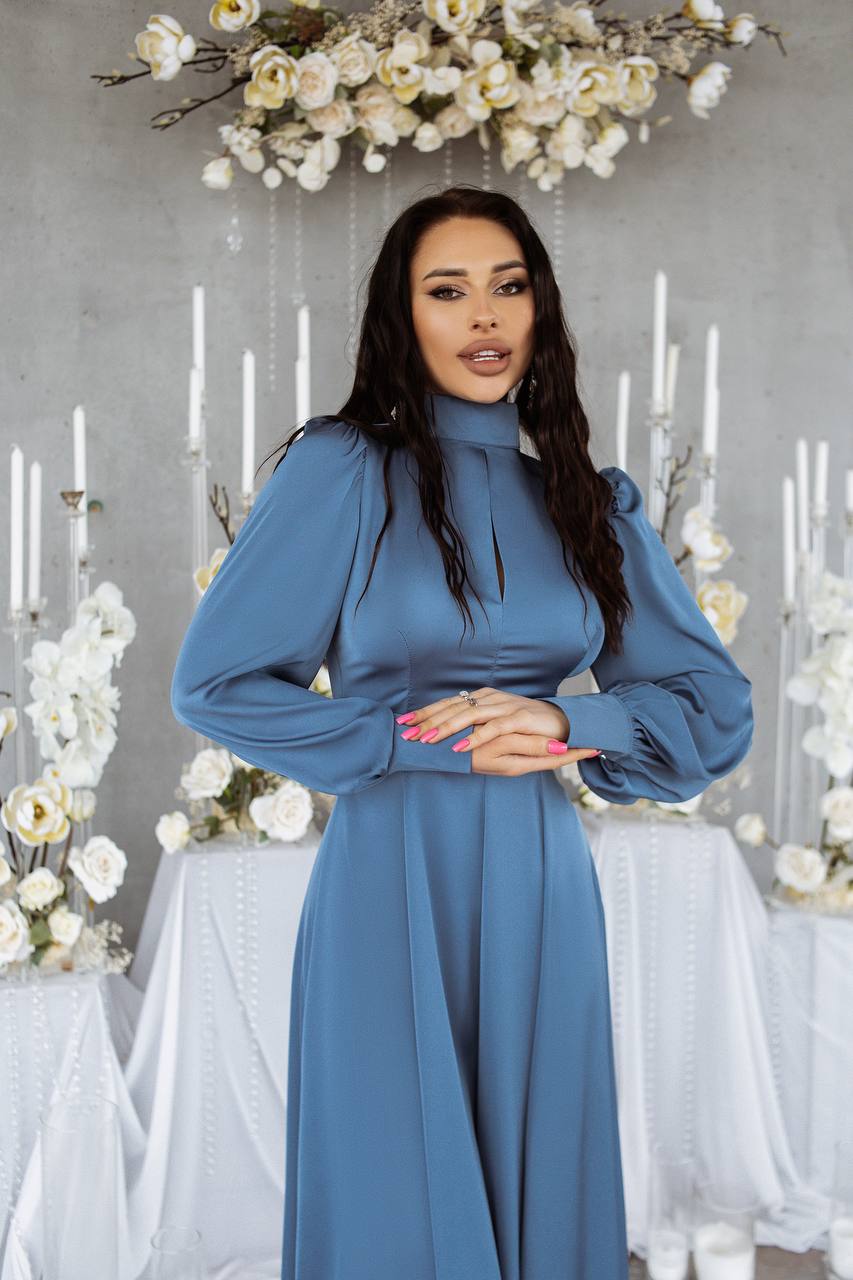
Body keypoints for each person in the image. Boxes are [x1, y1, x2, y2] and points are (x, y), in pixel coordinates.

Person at [170, 183, 754, 1280]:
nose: (483, 316)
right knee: (397, 1184)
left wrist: (569, 717)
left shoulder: (587, 500)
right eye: (448, 291)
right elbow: (217, 683)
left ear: (540, 312)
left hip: (541, 882)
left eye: (508, 286)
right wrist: (417, 742)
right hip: (390, 877)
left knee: (543, 1177)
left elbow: (709, 711)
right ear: (406, 315)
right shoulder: (342, 471)